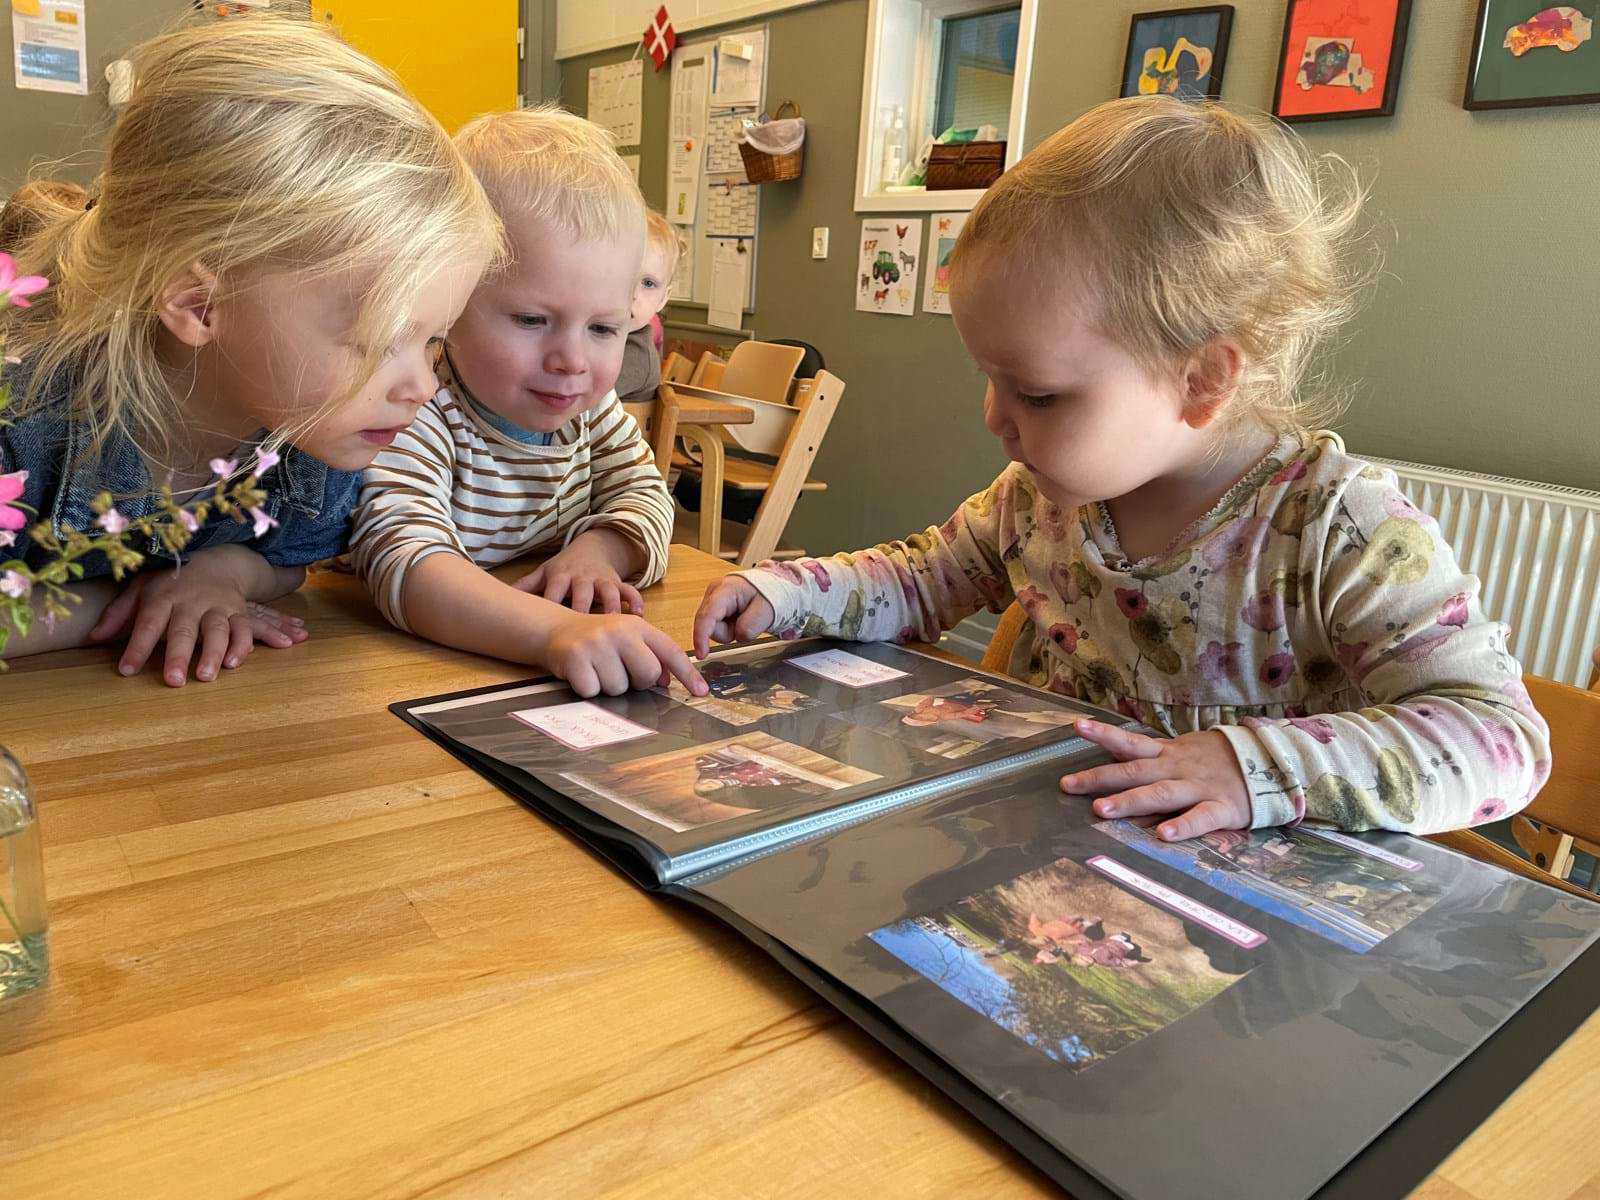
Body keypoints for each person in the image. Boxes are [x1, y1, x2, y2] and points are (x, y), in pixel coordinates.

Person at [693, 97, 1549, 841]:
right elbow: (919, 581)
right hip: (1052, 852)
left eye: (1034, 392)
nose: (994, 418)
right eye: (990, 381)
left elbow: (1502, 740)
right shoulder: (1038, 501)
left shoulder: (1339, 529)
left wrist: (1248, 768)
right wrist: (787, 593)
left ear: (1203, 378)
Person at [0, 16, 499, 685]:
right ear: (200, 306)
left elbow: (294, 554)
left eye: (434, 340)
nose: (424, 386)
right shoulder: (25, 422)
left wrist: (219, 574)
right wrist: (124, 603)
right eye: (378, 340)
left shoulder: (323, 425)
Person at [349, 107, 703, 698]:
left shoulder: (590, 409)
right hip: (408, 677)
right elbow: (404, 562)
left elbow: (647, 495)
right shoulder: (419, 407)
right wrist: (552, 632)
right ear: (449, 305)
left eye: (604, 328)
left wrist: (599, 552)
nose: (572, 360)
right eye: (533, 319)